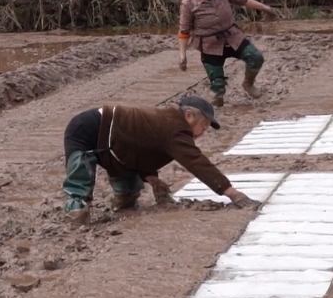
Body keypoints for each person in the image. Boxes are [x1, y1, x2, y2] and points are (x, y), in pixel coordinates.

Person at [61, 95, 257, 226]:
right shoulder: (175, 129)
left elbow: (141, 145)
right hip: (85, 130)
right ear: (189, 116)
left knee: (129, 192)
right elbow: (197, 162)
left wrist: (151, 177)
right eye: (203, 127)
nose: (202, 133)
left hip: (115, 142)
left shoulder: (167, 122)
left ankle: (123, 208)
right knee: (80, 187)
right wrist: (232, 193)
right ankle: (74, 225)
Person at [178, 0, 279, 107]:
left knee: (255, 58)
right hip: (210, 44)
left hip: (232, 36)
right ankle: (218, 96)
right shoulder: (188, 5)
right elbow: (184, 31)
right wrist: (183, 56)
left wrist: (263, 7)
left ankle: (248, 83)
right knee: (217, 82)